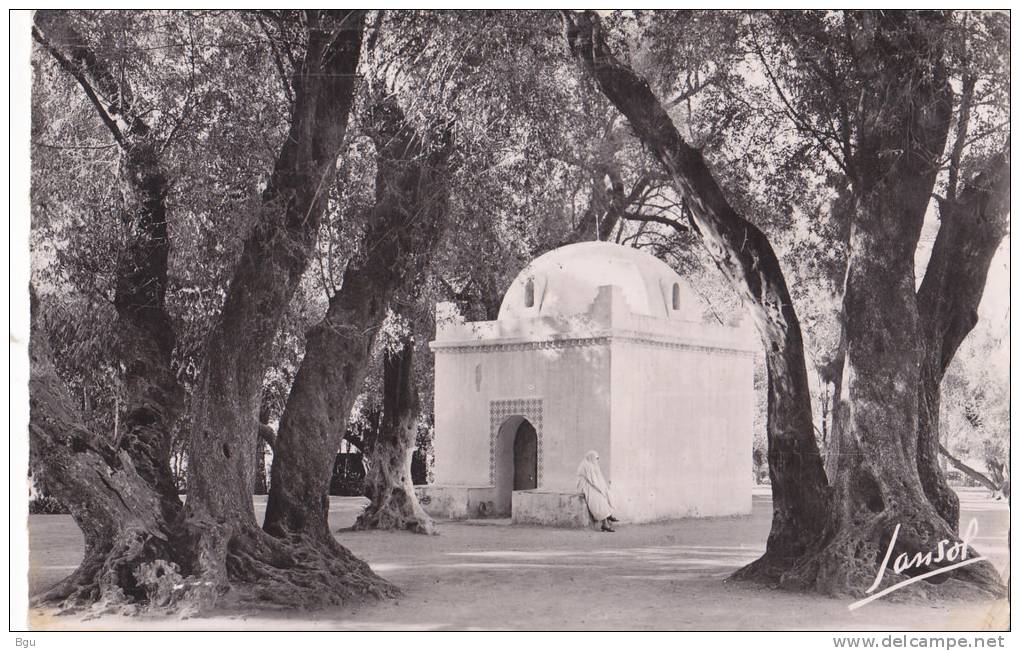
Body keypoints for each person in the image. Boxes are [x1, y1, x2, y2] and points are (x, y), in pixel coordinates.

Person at [576, 450, 618, 532]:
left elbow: (597, 478)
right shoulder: (586, 465)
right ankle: (605, 524)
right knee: (598, 499)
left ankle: (608, 516)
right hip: (585, 485)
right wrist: (600, 488)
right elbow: (593, 480)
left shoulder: (590, 464)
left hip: (590, 484)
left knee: (604, 494)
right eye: (596, 458)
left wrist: (602, 488)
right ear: (591, 457)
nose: (597, 460)